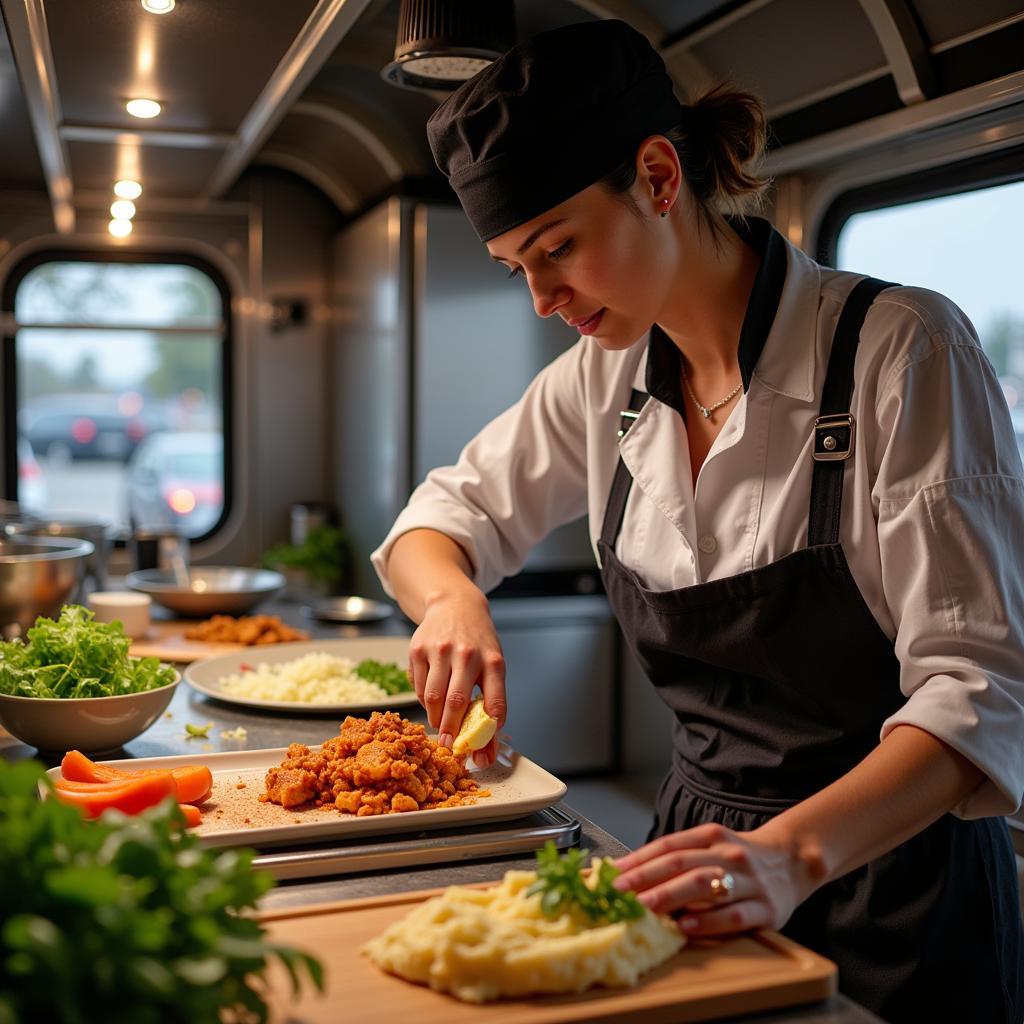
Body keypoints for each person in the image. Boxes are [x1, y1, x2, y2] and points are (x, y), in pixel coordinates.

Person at [370, 18, 1024, 1021]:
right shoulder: (603, 379)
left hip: (894, 882)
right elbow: (436, 518)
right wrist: (451, 598)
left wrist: (788, 854)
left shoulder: (901, 350)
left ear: (659, 176)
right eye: (517, 267)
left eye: (558, 249)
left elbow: (980, 688)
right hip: (694, 862)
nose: (545, 297)